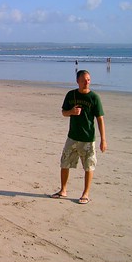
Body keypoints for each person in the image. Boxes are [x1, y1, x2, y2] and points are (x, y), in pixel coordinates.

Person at [51, 70, 107, 204]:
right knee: (65, 163)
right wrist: (72, 112)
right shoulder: (71, 95)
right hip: (72, 137)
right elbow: (64, 113)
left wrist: (103, 140)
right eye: (83, 80)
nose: (86, 82)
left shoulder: (94, 97)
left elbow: (100, 119)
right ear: (78, 81)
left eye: (88, 79)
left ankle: (85, 193)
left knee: (89, 166)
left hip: (88, 139)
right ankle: (63, 190)